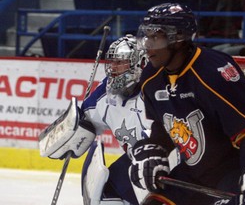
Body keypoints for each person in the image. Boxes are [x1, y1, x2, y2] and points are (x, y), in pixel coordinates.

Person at [129, 3, 245, 205]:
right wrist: (151, 150)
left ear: (177, 38)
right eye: (146, 36)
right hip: (196, 173)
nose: (148, 45)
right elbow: (162, 126)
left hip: (238, 171)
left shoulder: (214, 73)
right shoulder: (151, 77)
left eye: (155, 37)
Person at [39, 34, 178, 205]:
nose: (113, 68)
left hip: (170, 165)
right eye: (111, 62)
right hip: (136, 162)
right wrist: (69, 133)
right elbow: (84, 122)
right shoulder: (105, 94)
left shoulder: (160, 90)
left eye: (120, 62)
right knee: (105, 191)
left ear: (140, 63)